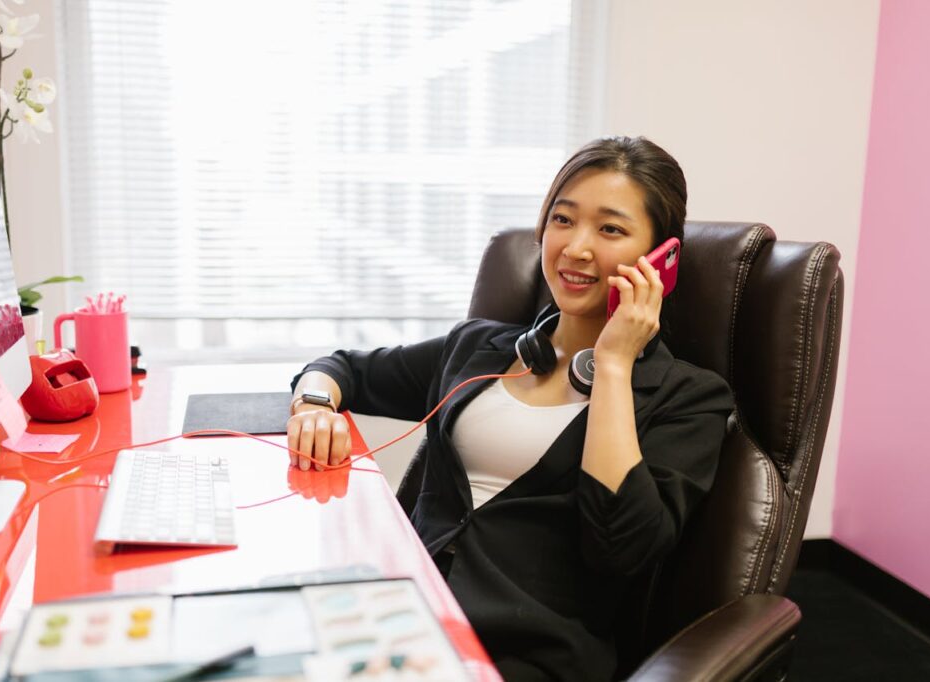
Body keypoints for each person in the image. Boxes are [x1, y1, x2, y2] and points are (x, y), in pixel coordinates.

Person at [288, 136, 734, 681]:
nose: (576, 247)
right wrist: (314, 403)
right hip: (398, 621)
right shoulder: (482, 347)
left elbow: (620, 546)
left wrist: (614, 366)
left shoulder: (689, 398)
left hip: (523, 658)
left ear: (661, 260)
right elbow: (342, 368)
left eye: (610, 229)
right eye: (563, 220)